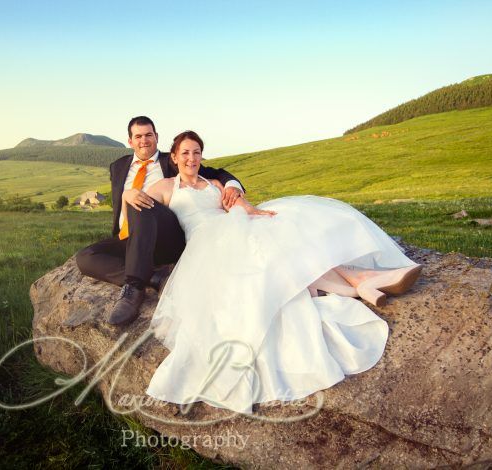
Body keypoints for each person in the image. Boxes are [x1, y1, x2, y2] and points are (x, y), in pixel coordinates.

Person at [143, 130, 422, 414]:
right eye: (185, 153)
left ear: (202, 156)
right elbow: (138, 210)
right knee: (277, 248)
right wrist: (130, 194)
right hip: (207, 243)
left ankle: (361, 280)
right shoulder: (165, 187)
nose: (191, 158)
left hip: (234, 225)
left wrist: (250, 210)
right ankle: (360, 280)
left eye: (196, 152)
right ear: (174, 157)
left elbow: (234, 203)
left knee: (287, 228)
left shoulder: (214, 182)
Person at [75, 117, 246, 325]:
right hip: (130, 238)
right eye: (138, 136)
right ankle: (156, 278)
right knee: (86, 257)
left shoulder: (173, 160)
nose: (144, 140)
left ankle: (134, 287)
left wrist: (232, 185)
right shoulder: (118, 166)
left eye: (149, 135)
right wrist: (125, 196)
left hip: (165, 236)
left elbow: (214, 172)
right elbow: (123, 199)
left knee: (141, 200)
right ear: (130, 141)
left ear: (156, 137)